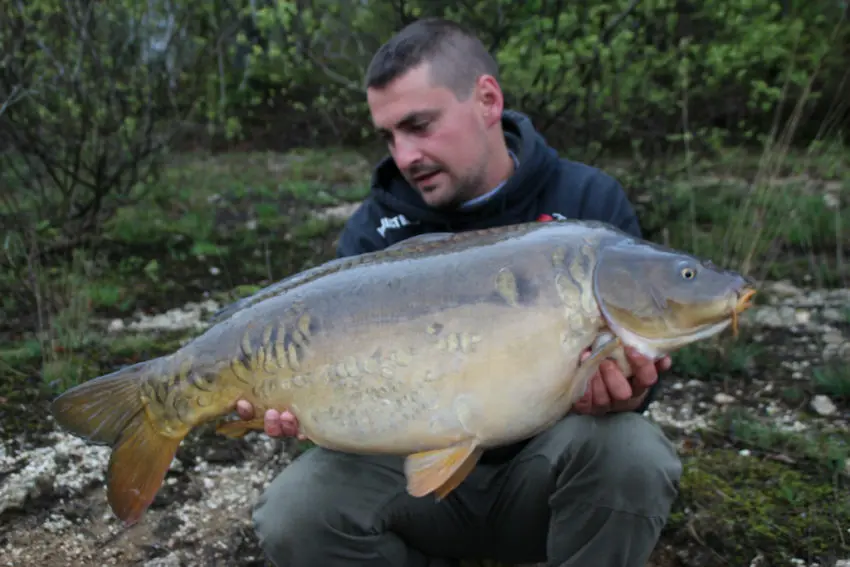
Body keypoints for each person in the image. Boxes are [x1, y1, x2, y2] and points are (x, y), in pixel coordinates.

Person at [235, 17, 682, 567]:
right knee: (295, 510)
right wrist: (304, 412)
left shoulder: (587, 201)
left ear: (487, 100)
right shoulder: (374, 231)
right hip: (417, 488)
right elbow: (344, 392)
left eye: (419, 126)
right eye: (390, 136)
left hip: (544, 475)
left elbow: (644, 363)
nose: (404, 156)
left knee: (633, 454)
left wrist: (631, 392)